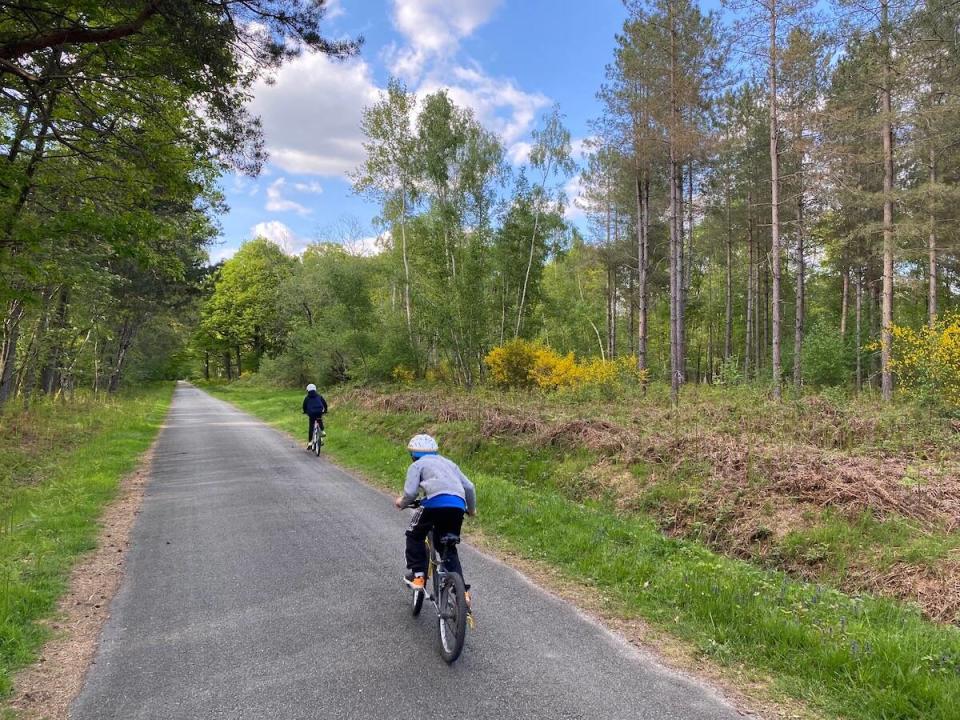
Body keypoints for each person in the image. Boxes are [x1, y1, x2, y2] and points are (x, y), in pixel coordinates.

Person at [395, 434, 476, 600]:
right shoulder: (449, 463)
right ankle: (463, 594)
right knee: (448, 546)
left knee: (414, 535)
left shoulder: (417, 465)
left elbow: (411, 493)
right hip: (458, 506)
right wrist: (471, 510)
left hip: (434, 504)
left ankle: (418, 576)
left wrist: (401, 503)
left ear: (413, 455)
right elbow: (469, 486)